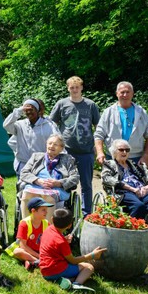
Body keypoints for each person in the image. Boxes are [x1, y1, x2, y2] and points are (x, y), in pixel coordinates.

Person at [101, 139, 148, 248]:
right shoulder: (109, 164)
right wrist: (130, 188)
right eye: (121, 150)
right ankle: (131, 237)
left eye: (127, 150)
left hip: (142, 190)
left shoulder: (135, 165)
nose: (124, 152)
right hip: (124, 192)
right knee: (139, 206)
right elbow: (106, 179)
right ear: (114, 152)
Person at [49, 76, 100, 215]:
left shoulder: (90, 105)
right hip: (66, 150)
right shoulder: (62, 104)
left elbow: (98, 127)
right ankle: (65, 210)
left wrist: (97, 146)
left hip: (86, 150)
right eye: (72, 87)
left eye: (77, 87)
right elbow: (51, 123)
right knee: (65, 181)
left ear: (82, 88)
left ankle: (86, 213)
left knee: (86, 184)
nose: (75, 90)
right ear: (68, 88)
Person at [39, 208, 105, 291]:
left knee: (79, 269)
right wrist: (92, 255)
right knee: (88, 267)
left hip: (45, 271)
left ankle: (68, 280)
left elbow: (53, 244)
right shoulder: (61, 242)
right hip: (56, 270)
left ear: (52, 219)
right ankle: (76, 284)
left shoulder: (48, 229)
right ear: (70, 225)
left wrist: (64, 239)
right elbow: (72, 261)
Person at [18, 135, 79, 222]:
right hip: (36, 186)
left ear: (62, 148)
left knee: (47, 197)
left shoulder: (68, 159)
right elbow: (24, 172)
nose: (51, 146)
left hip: (56, 188)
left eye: (55, 144)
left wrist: (58, 183)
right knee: (26, 195)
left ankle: (47, 231)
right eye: (50, 143)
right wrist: (37, 181)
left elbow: (75, 177)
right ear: (46, 145)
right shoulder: (36, 157)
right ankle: (26, 228)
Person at [94, 81, 148, 167]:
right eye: (122, 92)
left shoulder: (141, 112)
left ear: (132, 94)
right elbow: (99, 135)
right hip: (113, 157)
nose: (125, 95)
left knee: (136, 181)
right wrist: (100, 153)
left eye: (127, 92)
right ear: (117, 93)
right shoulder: (108, 112)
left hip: (136, 158)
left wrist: (146, 156)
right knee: (112, 181)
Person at [4, 98, 57, 175]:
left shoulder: (49, 126)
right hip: (23, 165)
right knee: (23, 187)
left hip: (41, 165)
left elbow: (58, 143)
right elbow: (6, 125)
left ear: (37, 110)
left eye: (31, 109)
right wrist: (19, 110)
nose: (29, 112)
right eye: (26, 110)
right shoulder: (20, 125)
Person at [5, 197, 53, 271]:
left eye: (46, 210)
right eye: (43, 210)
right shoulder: (24, 224)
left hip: (40, 251)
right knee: (17, 251)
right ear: (33, 211)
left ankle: (31, 262)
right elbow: (23, 246)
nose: (46, 212)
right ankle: (38, 261)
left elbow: (52, 239)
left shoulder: (46, 223)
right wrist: (39, 256)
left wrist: (64, 238)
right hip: (27, 251)